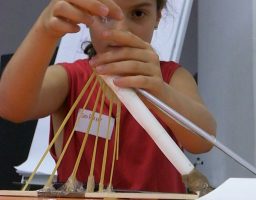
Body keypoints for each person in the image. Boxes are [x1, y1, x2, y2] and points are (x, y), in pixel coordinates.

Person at [0, 0, 216, 193]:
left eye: (138, 13)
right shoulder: (71, 79)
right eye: (105, 16)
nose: (121, 30)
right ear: (87, 17)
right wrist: (44, 32)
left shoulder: (171, 79)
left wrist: (159, 90)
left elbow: (203, 141)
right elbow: (11, 106)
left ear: (157, 17)